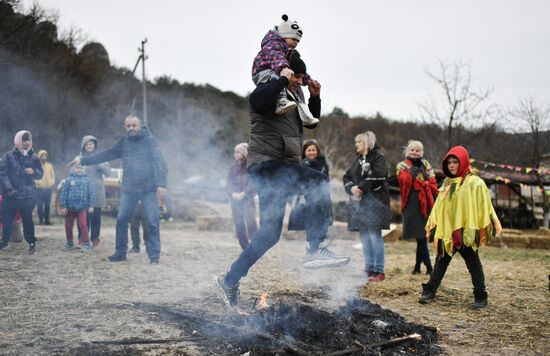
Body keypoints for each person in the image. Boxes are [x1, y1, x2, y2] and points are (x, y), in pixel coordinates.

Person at [215, 54, 350, 310]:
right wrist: (281, 80)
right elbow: (257, 100)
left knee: (269, 235)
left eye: (301, 78)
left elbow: (312, 122)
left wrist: (315, 96)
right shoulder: (269, 90)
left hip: (280, 169)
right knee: (319, 182)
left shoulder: (294, 99)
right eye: (297, 77)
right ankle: (314, 249)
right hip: (269, 165)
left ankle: (229, 280)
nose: (299, 82)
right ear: (286, 74)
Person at [69, 115, 168, 264]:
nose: (131, 128)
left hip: (148, 188)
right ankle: (120, 252)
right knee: (121, 220)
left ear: (139, 126)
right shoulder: (124, 142)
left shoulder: (150, 141)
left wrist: (162, 184)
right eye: (128, 126)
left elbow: (161, 163)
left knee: (152, 222)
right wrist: (83, 160)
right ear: (125, 127)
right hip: (129, 189)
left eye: (134, 125)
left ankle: (154, 257)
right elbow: (105, 154)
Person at [418, 146, 501, 309]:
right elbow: (439, 207)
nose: (451, 165)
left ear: (463, 162)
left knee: (473, 264)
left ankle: (480, 296)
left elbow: (484, 206)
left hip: (466, 232)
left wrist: (481, 226)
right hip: (448, 232)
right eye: (449, 162)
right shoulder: (447, 184)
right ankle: (430, 291)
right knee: (440, 263)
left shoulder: (475, 183)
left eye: (455, 162)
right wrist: (435, 224)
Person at [252, 14, 318, 124]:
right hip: (262, 72)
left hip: (277, 69)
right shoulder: (273, 44)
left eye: (298, 41)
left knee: (295, 92)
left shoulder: (287, 51)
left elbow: (297, 68)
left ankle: (306, 115)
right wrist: (284, 69)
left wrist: (308, 80)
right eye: (293, 39)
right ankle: (281, 102)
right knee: (278, 77)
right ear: (284, 35)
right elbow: (275, 56)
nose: (296, 42)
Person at [343, 131, 390, 282]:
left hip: (375, 203)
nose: (356, 145)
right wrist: (352, 188)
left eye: (359, 142)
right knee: (364, 237)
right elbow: (347, 176)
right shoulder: (357, 160)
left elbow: (379, 175)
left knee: (375, 236)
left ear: (367, 143)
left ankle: (379, 271)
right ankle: (369, 269)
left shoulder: (378, 157)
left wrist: (361, 188)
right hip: (360, 205)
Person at [396, 140, 438, 275]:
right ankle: (428, 267)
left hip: (424, 205)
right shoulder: (402, 165)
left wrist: (424, 182)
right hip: (411, 204)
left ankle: (418, 267)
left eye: (418, 150)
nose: (415, 152)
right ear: (408, 151)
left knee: (421, 237)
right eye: (412, 150)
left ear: (422, 152)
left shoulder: (426, 165)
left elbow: (432, 181)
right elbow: (402, 180)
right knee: (420, 237)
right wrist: (411, 174)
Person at [0, 130, 43, 254]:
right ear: (18, 141)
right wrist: (9, 189)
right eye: (24, 140)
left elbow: (40, 174)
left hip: (27, 196)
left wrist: (34, 172)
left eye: (28, 140)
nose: (26, 143)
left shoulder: (34, 157)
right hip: (11, 195)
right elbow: (2, 174)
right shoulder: (8, 156)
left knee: (28, 220)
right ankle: (4, 241)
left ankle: (32, 243)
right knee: (7, 219)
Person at [80, 135, 111, 248]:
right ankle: (83, 238)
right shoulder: (80, 158)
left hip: (97, 191)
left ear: (94, 146)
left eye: (91, 144)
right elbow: (73, 171)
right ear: (83, 146)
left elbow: (108, 172)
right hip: (83, 191)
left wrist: (100, 165)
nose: (89, 146)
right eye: (87, 144)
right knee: (83, 216)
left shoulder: (100, 157)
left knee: (96, 217)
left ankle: (95, 239)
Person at [226, 143, 257, 250]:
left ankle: (255, 247)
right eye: (235, 152)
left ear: (244, 154)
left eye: (238, 152)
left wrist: (244, 193)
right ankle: (245, 247)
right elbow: (228, 183)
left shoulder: (251, 167)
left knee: (250, 222)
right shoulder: (233, 167)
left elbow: (254, 183)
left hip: (247, 199)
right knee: (239, 224)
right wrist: (233, 193)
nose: (235, 154)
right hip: (235, 200)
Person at [59, 163, 95, 252]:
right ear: (74, 169)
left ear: (84, 169)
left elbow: (92, 194)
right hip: (70, 208)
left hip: (82, 207)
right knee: (68, 226)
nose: (79, 170)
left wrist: (91, 206)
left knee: (83, 225)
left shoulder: (88, 180)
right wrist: (63, 206)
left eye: (81, 168)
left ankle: (86, 244)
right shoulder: (69, 179)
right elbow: (64, 193)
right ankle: (69, 242)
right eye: (77, 168)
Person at [35, 149, 55, 225]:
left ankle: (47, 220)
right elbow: (33, 177)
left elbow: (53, 175)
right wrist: (37, 182)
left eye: (45, 156)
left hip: (48, 189)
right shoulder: (36, 166)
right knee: (40, 205)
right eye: (42, 156)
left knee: (47, 205)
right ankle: (41, 220)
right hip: (39, 189)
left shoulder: (49, 166)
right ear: (39, 157)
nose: (44, 157)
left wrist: (52, 182)